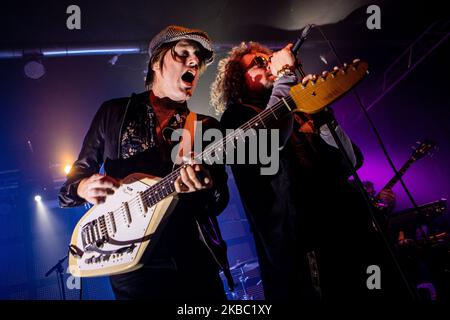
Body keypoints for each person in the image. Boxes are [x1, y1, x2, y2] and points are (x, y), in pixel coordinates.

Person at [211, 42, 407, 300]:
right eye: (258, 63)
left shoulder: (298, 111)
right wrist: (284, 77)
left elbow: (349, 162)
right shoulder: (235, 118)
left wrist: (324, 115)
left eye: (269, 59)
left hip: (349, 232)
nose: (269, 63)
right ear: (238, 81)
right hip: (305, 245)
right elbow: (267, 144)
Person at [59, 25, 232, 300]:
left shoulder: (205, 126)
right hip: (132, 265)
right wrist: (81, 188)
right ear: (156, 62)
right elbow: (73, 180)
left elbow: (220, 200)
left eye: (198, 60)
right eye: (183, 53)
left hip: (194, 258)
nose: (194, 62)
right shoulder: (113, 112)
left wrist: (206, 185)